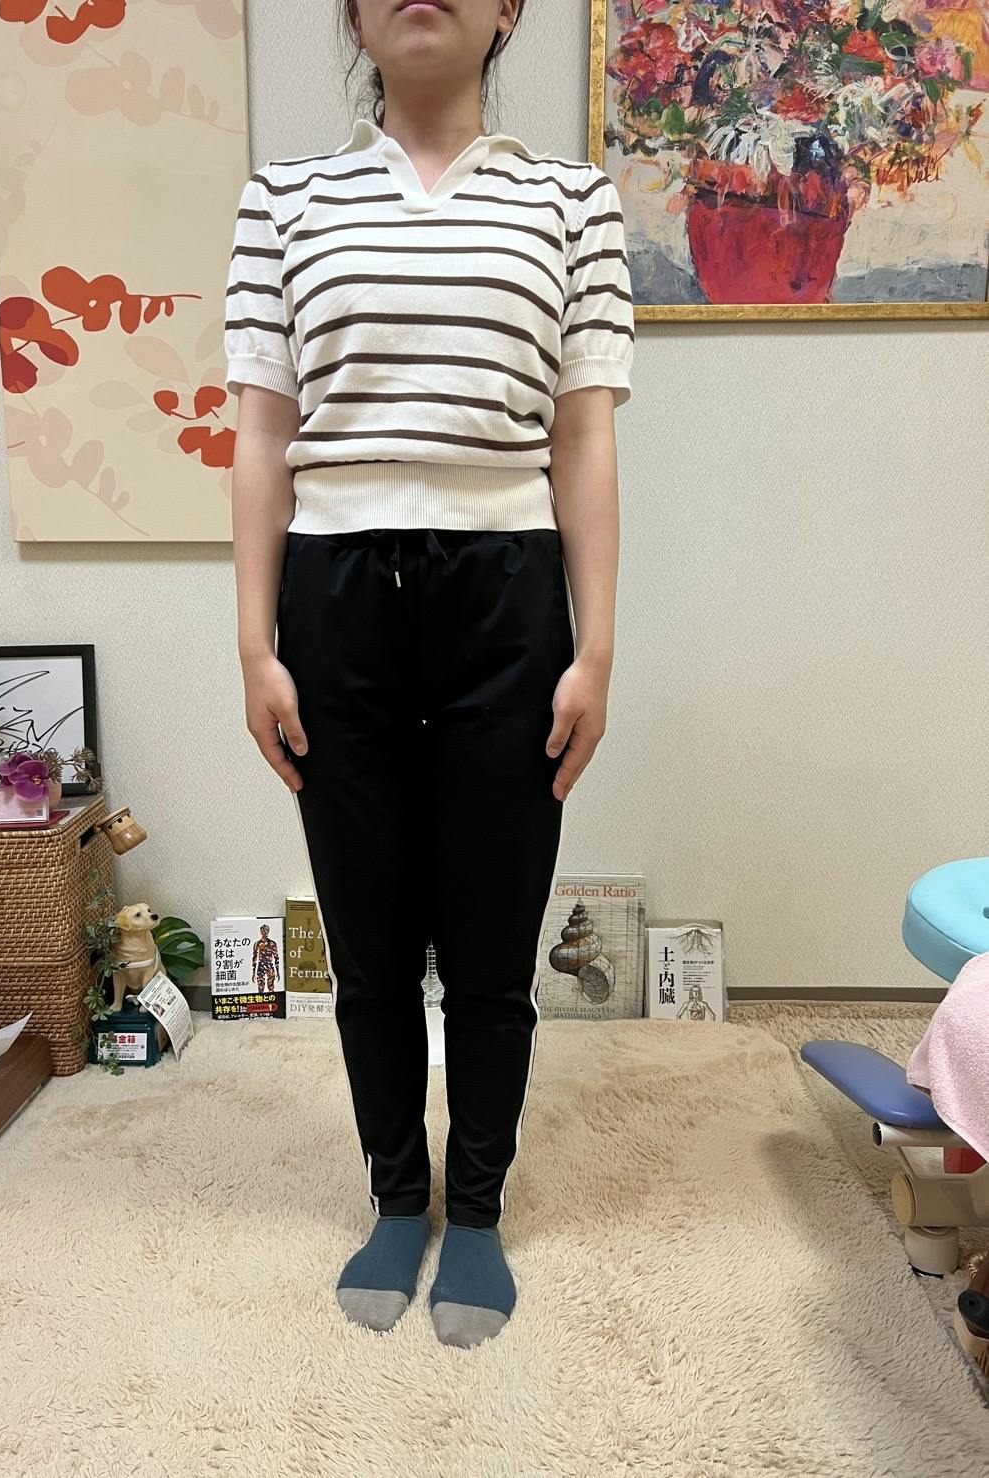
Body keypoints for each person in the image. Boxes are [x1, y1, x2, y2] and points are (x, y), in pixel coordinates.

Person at [225, 0, 634, 1349]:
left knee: (494, 942)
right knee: (371, 941)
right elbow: (263, 432)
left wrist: (595, 645)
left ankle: (483, 1207)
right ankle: (399, 1199)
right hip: (333, 597)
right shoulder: (285, 199)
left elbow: (583, 437)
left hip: (507, 595)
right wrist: (254, 642)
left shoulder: (571, 202)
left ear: (510, 9)